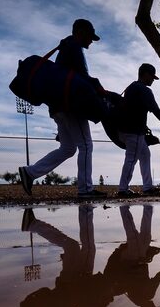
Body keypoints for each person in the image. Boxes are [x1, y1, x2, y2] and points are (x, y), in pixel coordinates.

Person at [19, 19, 106, 199]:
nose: (91, 41)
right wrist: (102, 91)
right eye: (90, 37)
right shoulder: (74, 47)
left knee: (68, 148)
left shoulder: (65, 47)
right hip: (71, 106)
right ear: (81, 32)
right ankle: (85, 190)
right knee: (86, 145)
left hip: (58, 106)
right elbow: (83, 79)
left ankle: (30, 173)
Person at [117, 63, 160, 197]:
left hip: (125, 129)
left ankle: (147, 187)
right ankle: (122, 189)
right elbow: (156, 111)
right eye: (152, 77)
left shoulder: (131, 86)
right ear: (145, 74)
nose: (152, 80)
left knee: (145, 154)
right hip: (133, 131)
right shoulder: (144, 89)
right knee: (131, 159)